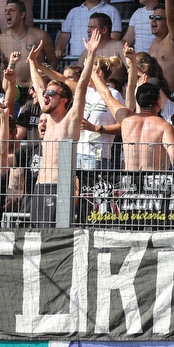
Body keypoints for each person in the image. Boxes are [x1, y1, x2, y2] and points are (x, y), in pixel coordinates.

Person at [25, 29, 102, 225]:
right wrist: (33, 63)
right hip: (40, 185)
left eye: (52, 93)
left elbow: (82, 86)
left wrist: (91, 53)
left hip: (60, 187)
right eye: (46, 93)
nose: (46, 95)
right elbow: (39, 86)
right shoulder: (48, 118)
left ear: (64, 100)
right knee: (36, 233)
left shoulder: (71, 120)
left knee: (57, 236)